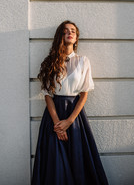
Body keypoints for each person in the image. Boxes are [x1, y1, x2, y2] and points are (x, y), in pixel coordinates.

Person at [31, 20, 109, 185]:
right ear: (60, 35)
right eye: (65, 30)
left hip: (75, 117)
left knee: (77, 159)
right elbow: (47, 95)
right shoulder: (49, 62)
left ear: (76, 37)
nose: (69, 33)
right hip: (53, 117)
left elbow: (83, 95)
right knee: (54, 162)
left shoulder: (83, 61)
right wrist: (58, 124)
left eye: (73, 30)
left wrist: (69, 122)